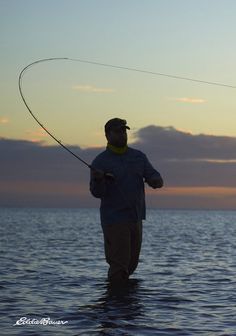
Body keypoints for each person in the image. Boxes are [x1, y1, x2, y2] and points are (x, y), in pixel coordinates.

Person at [90, 118, 163, 285]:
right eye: (117, 131)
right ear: (107, 135)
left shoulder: (138, 157)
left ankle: (126, 306)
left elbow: (155, 177)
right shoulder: (100, 161)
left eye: (124, 131)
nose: (122, 134)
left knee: (131, 265)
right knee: (119, 266)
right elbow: (97, 193)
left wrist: (155, 181)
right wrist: (98, 179)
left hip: (136, 218)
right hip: (114, 220)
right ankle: (115, 305)